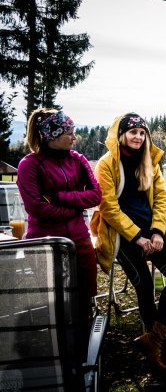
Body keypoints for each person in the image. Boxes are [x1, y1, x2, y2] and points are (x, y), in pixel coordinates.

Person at [92, 113, 166, 370]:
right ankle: (158, 348)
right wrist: (136, 236)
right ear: (121, 134)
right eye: (132, 131)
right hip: (122, 235)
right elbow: (108, 207)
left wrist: (157, 232)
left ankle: (153, 338)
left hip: (151, 231)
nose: (138, 136)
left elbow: (160, 198)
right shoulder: (106, 163)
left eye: (142, 132)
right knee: (144, 284)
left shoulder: (151, 162)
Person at [17, 108, 102, 351]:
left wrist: (60, 197)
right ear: (51, 135)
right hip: (45, 242)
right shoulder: (29, 165)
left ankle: (84, 347)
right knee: (54, 300)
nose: (74, 137)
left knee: (84, 296)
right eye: (70, 133)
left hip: (81, 241)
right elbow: (36, 208)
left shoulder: (78, 159)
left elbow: (96, 195)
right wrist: (75, 207)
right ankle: (58, 350)